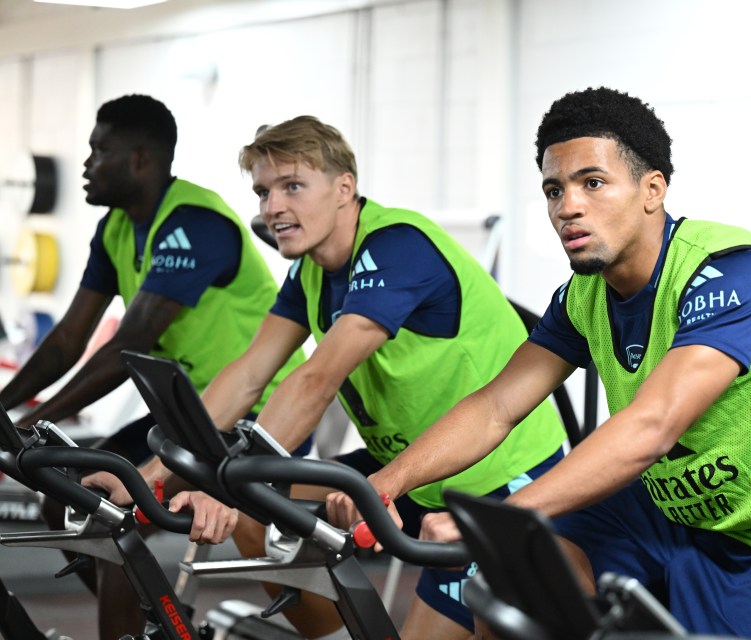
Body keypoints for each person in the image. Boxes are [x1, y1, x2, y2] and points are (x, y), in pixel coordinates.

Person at [325, 87, 751, 640]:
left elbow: (653, 426)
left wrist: (496, 522)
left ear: (653, 189)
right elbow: (497, 406)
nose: (568, 206)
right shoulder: (586, 296)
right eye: (554, 190)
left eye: (592, 182)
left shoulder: (735, 273)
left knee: (508, 542)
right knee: (510, 586)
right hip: (671, 513)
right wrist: (386, 482)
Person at [87, 114, 568, 639]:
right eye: (264, 191)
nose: (273, 207)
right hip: (408, 470)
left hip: (497, 477)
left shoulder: (396, 247)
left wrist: (224, 487)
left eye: (293, 186)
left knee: (247, 495)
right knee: (256, 510)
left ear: (345, 188)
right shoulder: (310, 270)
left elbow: (318, 378)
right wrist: (151, 477)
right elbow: (247, 375)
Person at [0, 94, 306, 639]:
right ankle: (162, 621)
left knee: (106, 509)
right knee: (62, 494)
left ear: (140, 159)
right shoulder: (116, 228)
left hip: (253, 416)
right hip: (185, 414)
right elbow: (68, 340)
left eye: (100, 151)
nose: (88, 166)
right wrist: (3, 412)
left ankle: (142, 629)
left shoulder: (194, 224)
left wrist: (33, 423)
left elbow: (131, 343)